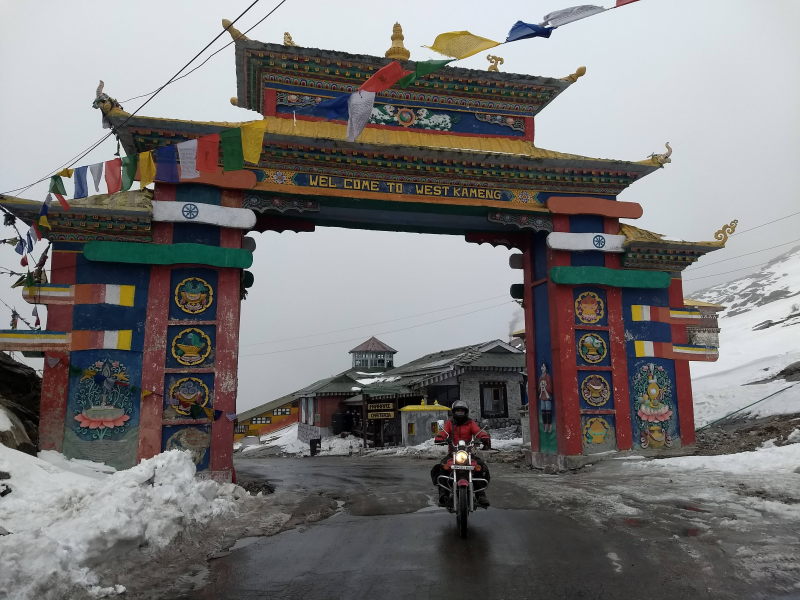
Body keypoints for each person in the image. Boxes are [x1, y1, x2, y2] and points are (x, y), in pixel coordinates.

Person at [430, 400, 492, 508]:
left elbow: (478, 431)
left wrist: (484, 437)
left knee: (480, 467)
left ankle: (480, 495)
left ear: (466, 412)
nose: (459, 413)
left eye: (462, 411)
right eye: (457, 411)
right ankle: (443, 495)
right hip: (453, 453)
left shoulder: (470, 423)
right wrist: (440, 437)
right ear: (453, 412)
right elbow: (444, 432)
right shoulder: (450, 423)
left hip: (468, 453)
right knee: (441, 467)